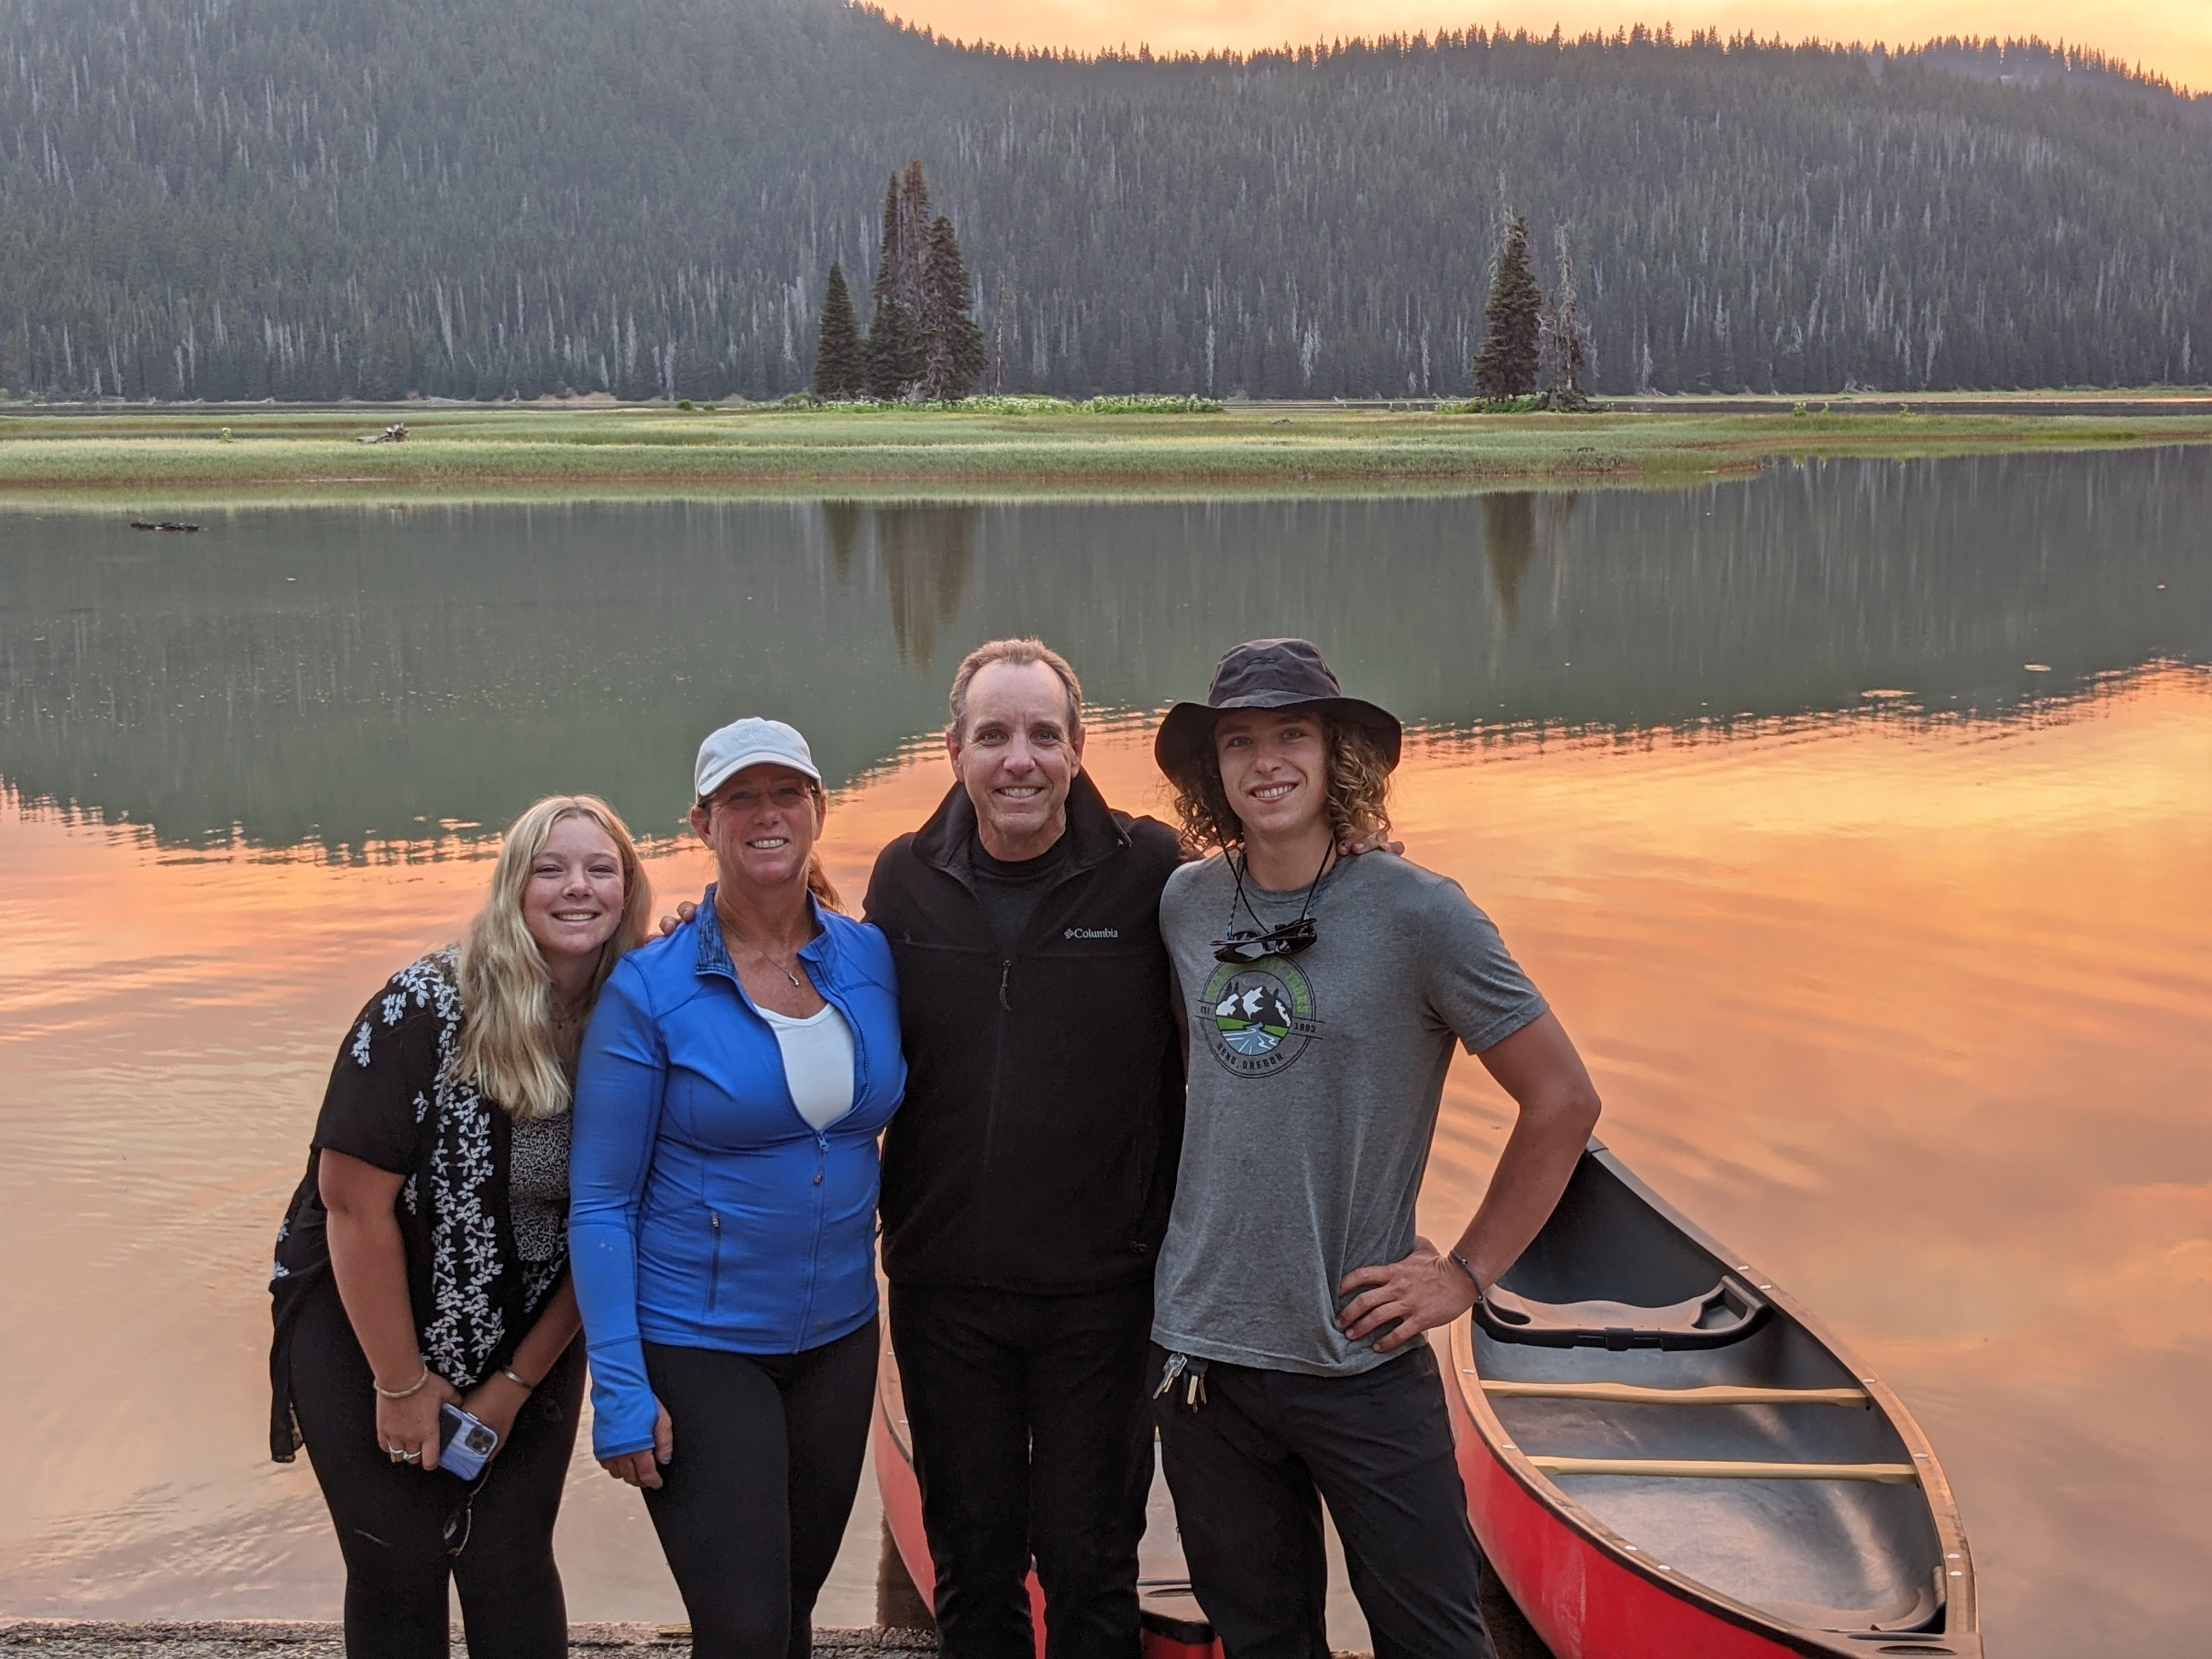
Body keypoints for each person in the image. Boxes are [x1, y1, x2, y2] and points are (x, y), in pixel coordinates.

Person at [1149, 639, 1604, 1659]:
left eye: (1292, 736)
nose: (1267, 762)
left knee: (1435, 1640)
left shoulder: (1420, 914)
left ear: (1337, 755)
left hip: (1359, 1349)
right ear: (1215, 771)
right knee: (1261, 1640)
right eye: (1240, 742)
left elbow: (1563, 1102)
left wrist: (1465, 1276)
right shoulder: (1185, 905)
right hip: (1203, 1357)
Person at [268, 794, 653, 1659]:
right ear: (512, 886)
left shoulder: (635, 1023)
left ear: (630, 890)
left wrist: (514, 1386)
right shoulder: (425, 1008)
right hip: (364, 1331)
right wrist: (403, 1386)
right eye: (550, 869)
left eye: (601, 869)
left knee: (512, 1566)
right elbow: (350, 1205)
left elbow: (609, 1223)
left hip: (534, 1334)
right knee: (397, 1571)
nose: (577, 889)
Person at [861, 639, 1186, 1659]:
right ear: (953, 750)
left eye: (1045, 735)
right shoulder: (903, 881)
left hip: (1105, 1293)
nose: (1020, 760)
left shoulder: (1151, 870)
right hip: (946, 1291)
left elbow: (1259, 926)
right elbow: (817, 978)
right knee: (975, 1561)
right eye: (994, 735)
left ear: (1080, 750)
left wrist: (1351, 851)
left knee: (1093, 1562)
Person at [570, 718, 907, 1659]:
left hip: (840, 1338)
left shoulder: (868, 958)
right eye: (740, 799)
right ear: (702, 824)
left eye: (785, 793)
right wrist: (621, 1389)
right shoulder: (651, 990)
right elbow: (601, 1203)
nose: (766, 815)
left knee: (788, 1612)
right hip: (701, 1345)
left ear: (818, 810)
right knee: (746, 1632)